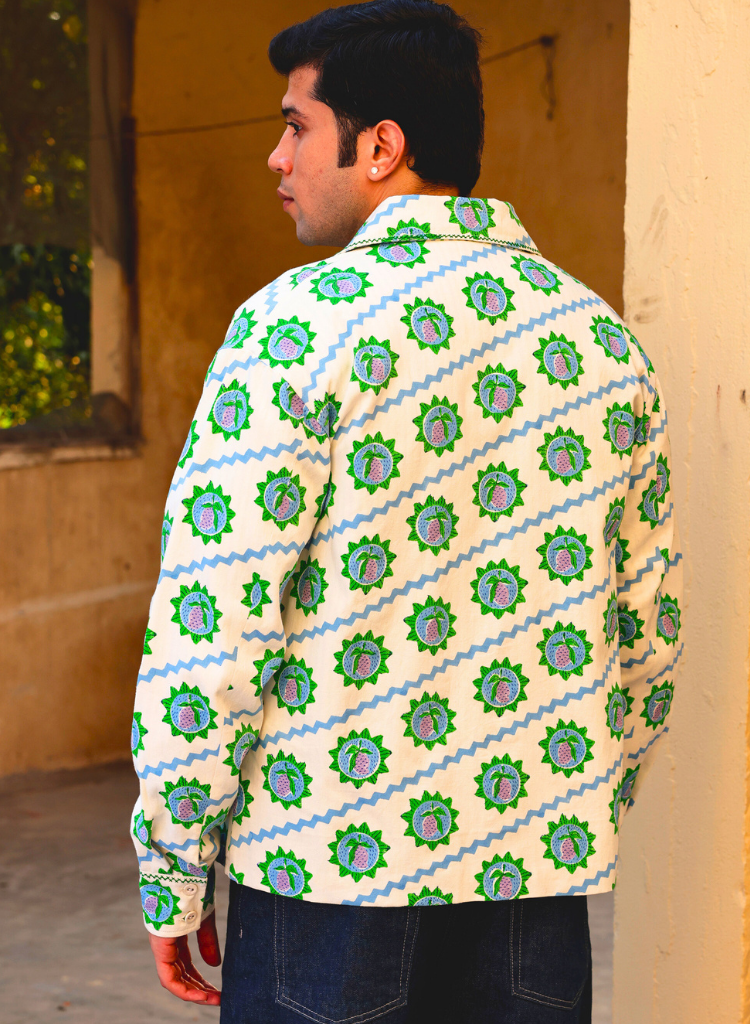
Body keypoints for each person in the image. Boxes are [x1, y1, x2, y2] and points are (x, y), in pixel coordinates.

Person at [130, 2, 683, 1021]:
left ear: (380, 146)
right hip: (532, 890)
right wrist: (559, 809)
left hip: (324, 884)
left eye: (296, 126)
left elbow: (212, 628)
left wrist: (173, 863)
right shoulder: (599, 340)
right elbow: (648, 635)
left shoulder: (297, 327)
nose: (276, 157)